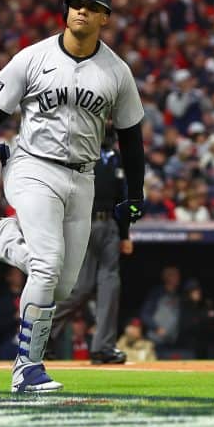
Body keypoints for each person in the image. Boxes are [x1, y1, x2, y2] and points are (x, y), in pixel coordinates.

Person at [0, 0, 146, 393]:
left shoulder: (116, 71)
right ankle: (27, 368)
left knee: (62, 284)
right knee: (47, 262)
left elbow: (131, 136)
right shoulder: (33, 57)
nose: (81, 11)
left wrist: (136, 192)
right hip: (32, 166)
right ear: (66, 8)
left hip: (83, 176)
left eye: (91, 7)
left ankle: (6, 243)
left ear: (105, 18)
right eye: (75, 3)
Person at [50, 139, 132, 365]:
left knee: (109, 286)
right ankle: (42, 334)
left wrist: (124, 234)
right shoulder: (77, 150)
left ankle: (102, 348)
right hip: (81, 222)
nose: (108, 122)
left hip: (109, 225)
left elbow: (122, 196)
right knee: (80, 288)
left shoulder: (115, 157)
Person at [140, 265, 183, 356]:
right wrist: (156, 328)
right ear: (167, 277)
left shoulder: (178, 295)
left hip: (172, 341)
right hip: (156, 341)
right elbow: (145, 314)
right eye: (174, 275)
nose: (178, 278)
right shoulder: (157, 293)